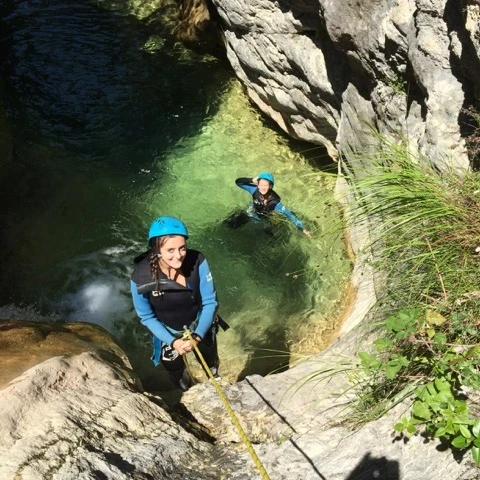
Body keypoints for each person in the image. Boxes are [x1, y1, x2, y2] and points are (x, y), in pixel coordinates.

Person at [130, 216, 220, 391]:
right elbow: (147, 317)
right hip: (167, 334)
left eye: (182, 248)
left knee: (211, 362)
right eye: (170, 250)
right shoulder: (140, 277)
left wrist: (198, 335)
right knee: (176, 372)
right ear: (157, 249)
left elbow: (210, 301)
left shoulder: (197, 261)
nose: (178, 256)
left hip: (200, 325)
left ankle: (215, 383)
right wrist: (173, 342)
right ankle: (188, 393)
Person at [232, 172, 312, 237]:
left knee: (271, 238)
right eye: (261, 184)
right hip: (251, 212)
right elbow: (238, 182)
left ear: (270, 186)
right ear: (258, 185)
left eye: (266, 185)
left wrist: (304, 230)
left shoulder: (275, 203)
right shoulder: (254, 190)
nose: (263, 187)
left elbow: (290, 216)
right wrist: (252, 180)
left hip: (264, 219)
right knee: (230, 224)